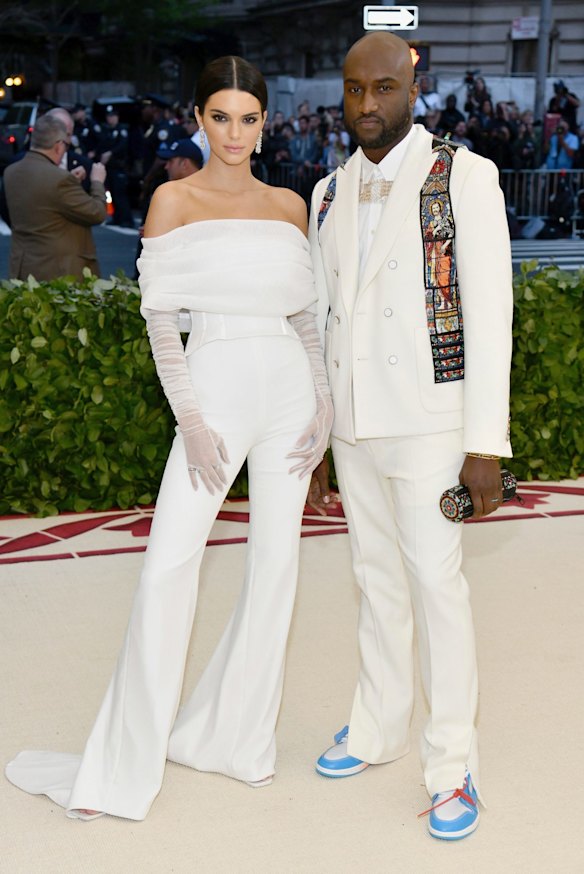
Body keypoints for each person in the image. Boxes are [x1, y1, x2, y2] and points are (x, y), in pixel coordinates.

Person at [5, 55, 332, 822]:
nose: (235, 133)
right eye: (220, 117)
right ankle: (127, 756)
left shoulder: (289, 206)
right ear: (198, 117)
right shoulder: (173, 201)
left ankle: (240, 740)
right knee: (166, 568)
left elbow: (307, 320)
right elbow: (161, 323)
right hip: (211, 395)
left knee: (277, 569)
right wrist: (189, 415)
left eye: (248, 119)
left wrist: (325, 408)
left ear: (264, 123)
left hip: (290, 398)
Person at [308, 32, 513, 841]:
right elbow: (327, 322)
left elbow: (490, 314)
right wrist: (326, 434)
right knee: (375, 580)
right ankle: (376, 727)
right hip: (357, 427)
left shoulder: (464, 173)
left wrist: (485, 443)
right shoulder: (326, 191)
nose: (368, 106)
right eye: (355, 90)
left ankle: (452, 762)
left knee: (436, 587)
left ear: (413, 87)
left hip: (432, 425)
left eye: (384, 89)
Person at [3, 114, 106, 280]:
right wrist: (97, 182)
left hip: (23, 267)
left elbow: (41, 199)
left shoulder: (11, 172)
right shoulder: (59, 179)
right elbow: (97, 213)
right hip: (59, 272)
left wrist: (69, 180)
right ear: (58, 146)